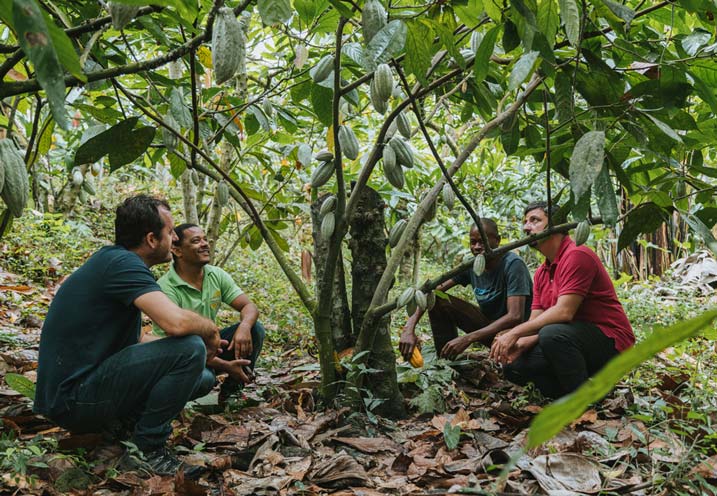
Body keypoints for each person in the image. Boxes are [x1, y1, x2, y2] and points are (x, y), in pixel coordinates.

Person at [34, 195, 234, 478]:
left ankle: (119, 430)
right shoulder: (122, 264)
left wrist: (217, 362)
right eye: (170, 232)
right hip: (72, 399)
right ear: (152, 239)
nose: (175, 238)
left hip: (79, 392)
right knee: (190, 346)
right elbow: (175, 324)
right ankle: (147, 451)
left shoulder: (117, 263)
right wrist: (211, 331)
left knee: (201, 377)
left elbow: (139, 342)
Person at [490, 201, 635, 398]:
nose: (526, 227)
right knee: (514, 368)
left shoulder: (577, 255)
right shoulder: (542, 272)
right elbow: (535, 323)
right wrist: (520, 345)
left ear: (556, 224)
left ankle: (579, 402)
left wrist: (514, 333)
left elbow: (564, 312)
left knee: (552, 333)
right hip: (572, 342)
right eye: (525, 222)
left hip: (611, 343)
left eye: (535, 220)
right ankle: (584, 392)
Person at [154, 223, 265, 401]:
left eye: (205, 239)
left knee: (255, 329)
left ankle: (233, 391)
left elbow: (249, 306)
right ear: (177, 250)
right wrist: (226, 365)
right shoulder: (166, 288)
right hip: (184, 354)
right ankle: (171, 404)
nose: (205, 244)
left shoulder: (215, 275)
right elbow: (173, 346)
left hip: (213, 345)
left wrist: (244, 327)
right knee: (206, 379)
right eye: (196, 241)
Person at [399, 218, 533, 362]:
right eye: (473, 242)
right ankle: (446, 361)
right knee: (437, 300)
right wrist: (408, 329)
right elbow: (432, 290)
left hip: (515, 334)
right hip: (489, 327)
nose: (476, 247)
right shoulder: (472, 264)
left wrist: (468, 338)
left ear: (497, 240)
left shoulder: (513, 265)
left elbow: (515, 316)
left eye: (482, 242)